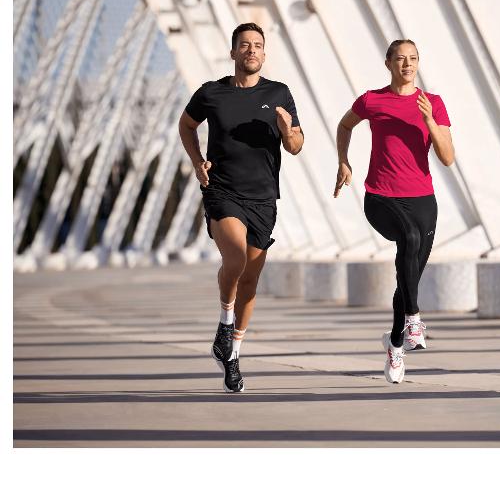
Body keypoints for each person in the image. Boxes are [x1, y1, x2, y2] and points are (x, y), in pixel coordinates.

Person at [178, 22, 303, 392]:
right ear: (233, 53)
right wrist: (197, 160)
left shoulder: (279, 93)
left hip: (263, 198)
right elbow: (186, 126)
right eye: (245, 45)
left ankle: (231, 354)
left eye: (258, 45)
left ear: (264, 54)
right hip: (222, 192)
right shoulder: (211, 93)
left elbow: (296, 146)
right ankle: (224, 321)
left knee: (250, 280)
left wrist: (286, 130)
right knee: (235, 260)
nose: (252, 50)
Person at [333, 39, 454, 384]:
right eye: (400, 59)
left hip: (423, 200)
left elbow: (447, 157)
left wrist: (430, 121)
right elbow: (345, 125)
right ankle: (414, 319)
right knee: (409, 239)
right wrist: (344, 161)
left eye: (413, 58)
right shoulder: (373, 100)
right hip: (381, 197)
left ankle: (396, 343)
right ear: (388, 63)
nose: (407, 64)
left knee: (409, 276)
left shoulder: (433, 104)